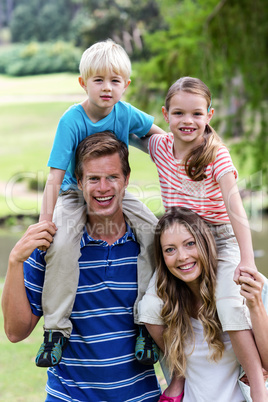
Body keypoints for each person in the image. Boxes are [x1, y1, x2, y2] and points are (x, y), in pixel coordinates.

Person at [134, 76, 267, 401]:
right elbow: (127, 123)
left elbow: (236, 209)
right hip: (183, 241)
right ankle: (180, 373)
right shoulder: (160, 146)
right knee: (149, 309)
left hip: (220, 240)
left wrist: (246, 261)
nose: (187, 121)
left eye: (196, 113)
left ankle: (258, 384)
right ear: (166, 114)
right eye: (179, 113)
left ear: (209, 114)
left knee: (229, 307)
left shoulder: (215, 155)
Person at [1, 132, 161, 401]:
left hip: (141, 396)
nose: (103, 188)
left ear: (126, 179)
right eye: (93, 179)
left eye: (112, 177)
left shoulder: (153, 247)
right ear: (79, 182)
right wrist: (15, 261)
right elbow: (16, 332)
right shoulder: (53, 247)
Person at [36, 39, 164, 367]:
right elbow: (54, 177)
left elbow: (157, 135)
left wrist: (191, 144)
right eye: (98, 80)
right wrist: (45, 222)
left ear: (125, 85)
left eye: (115, 81)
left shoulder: (125, 113)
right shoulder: (72, 120)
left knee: (155, 233)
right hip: (71, 194)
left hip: (113, 192)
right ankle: (56, 330)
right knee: (62, 243)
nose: (107, 88)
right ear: (83, 83)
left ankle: (145, 323)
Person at [138, 207, 268, 401]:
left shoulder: (245, 291)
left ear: (205, 243)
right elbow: (178, 368)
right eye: (170, 250)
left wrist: (255, 305)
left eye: (190, 244)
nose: (182, 256)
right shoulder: (168, 310)